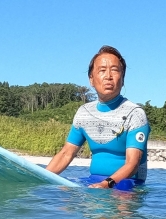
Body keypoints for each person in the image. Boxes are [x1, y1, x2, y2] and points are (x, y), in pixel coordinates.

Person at [46, 45, 150, 189]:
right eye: (102, 70)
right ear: (91, 79)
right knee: (61, 198)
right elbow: (66, 154)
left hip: (128, 184)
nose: (108, 76)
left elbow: (133, 164)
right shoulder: (84, 113)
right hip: (94, 181)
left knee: (121, 203)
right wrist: (41, 177)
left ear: (123, 78)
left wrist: (107, 184)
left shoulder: (135, 114)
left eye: (114, 70)